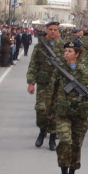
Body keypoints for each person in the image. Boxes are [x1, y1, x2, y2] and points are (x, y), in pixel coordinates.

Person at [46, 40, 88, 174]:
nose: (66, 53)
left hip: (80, 113)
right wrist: (49, 111)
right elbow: (51, 91)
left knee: (76, 145)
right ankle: (63, 172)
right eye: (65, 51)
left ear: (77, 54)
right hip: (63, 113)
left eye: (70, 51)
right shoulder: (59, 70)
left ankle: (72, 173)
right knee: (66, 141)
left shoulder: (85, 71)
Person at [26, 22, 65, 151]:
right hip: (43, 84)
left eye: (55, 29)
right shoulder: (40, 47)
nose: (53, 32)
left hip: (59, 85)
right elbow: (33, 65)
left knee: (56, 111)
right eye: (50, 29)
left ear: (59, 32)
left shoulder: (64, 46)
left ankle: (53, 137)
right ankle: (42, 132)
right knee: (41, 110)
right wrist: (31, 82)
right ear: (46, 30)